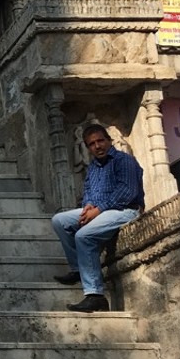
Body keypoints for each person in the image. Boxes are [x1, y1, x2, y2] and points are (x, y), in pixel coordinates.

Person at [51, 124, 144, 312]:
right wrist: (88, 205)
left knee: (83, 236)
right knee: (59, 221)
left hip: (124, 210)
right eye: (92, 144)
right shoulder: (94, 166)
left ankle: (95, 296)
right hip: (101, 210)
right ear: (88, 147)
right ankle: (79, 269)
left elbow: (127, 192)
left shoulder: (123, 161)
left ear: (109, 141)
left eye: (101, 141)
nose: (97, 146)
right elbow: (89, 190)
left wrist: (98, 209)